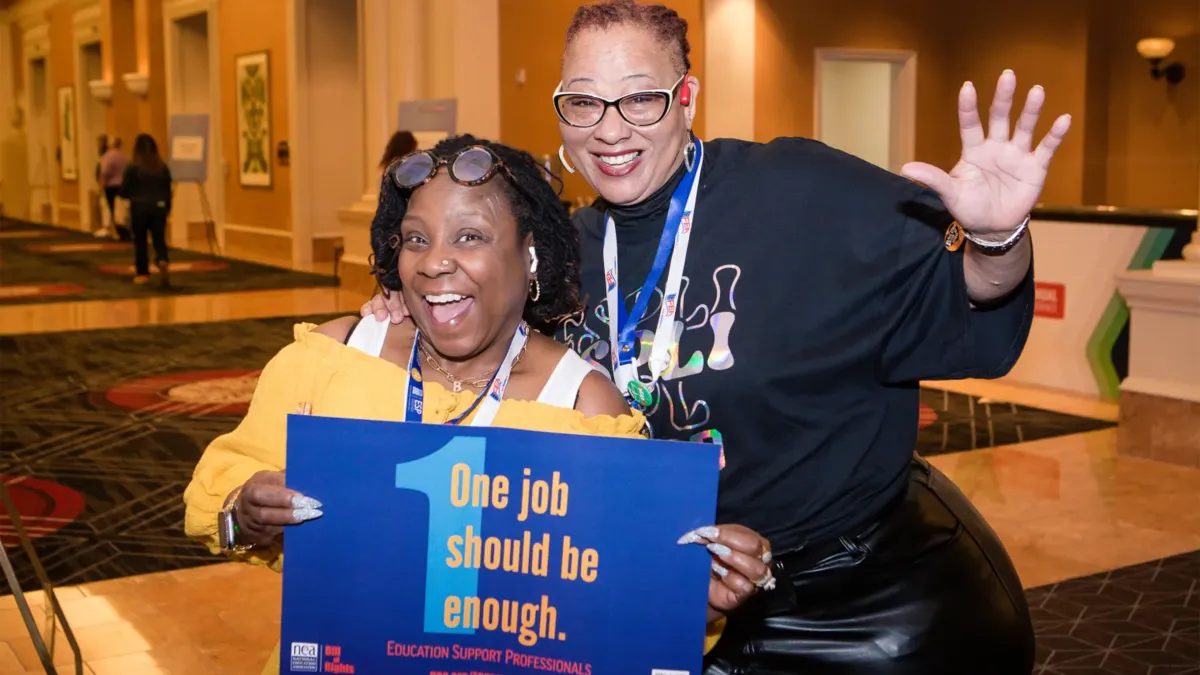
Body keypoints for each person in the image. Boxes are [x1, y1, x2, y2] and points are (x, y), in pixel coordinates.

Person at [362, 1, 1073, 673]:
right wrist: (411, 301)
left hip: (870, 602)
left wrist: (996, 237)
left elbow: (968, 291)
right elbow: (478, 341)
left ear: (687, 98)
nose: (610, 130)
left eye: (640, 98)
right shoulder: (557, 253)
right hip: (681, 598)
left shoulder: (800, 194)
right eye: (583, 101)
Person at [183, 135, 771, 675]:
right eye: (417, 238)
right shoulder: (333, 359)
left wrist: (698, 602)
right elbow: (219, 512)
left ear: (531, 255)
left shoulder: (583, 407)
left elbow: (618, 605)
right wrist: (245, 513)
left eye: (470, 236)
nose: (435, 262)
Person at [119, 134, 173, 286]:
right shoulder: (162, 167)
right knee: (159, 238)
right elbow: (168, 190)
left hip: (139, 207)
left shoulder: (133, 166)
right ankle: (162, 259)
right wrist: (167, 209)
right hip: (159, 207)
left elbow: (124, 190)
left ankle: (142, 273)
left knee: (140, 240)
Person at [99, 136, 130, 241]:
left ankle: (117, 230)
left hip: (111, 185)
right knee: (123, 208)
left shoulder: (108, 156)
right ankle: (125, 229)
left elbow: (105, 171)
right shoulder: (124, 156)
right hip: (124, 185)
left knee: (113, 208)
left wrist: (102, 183)